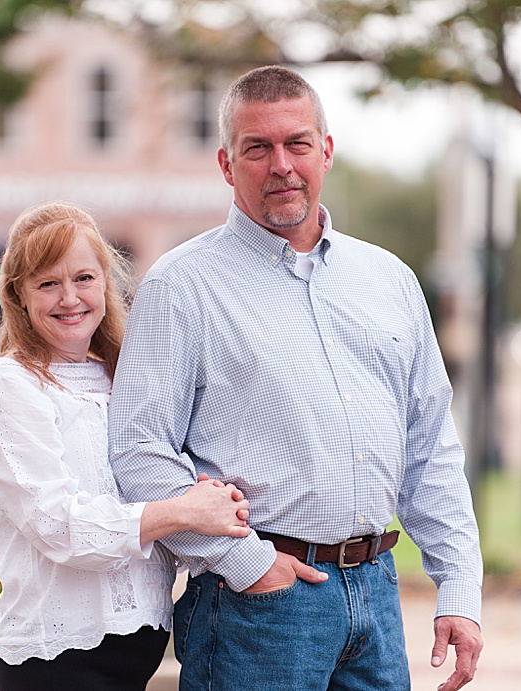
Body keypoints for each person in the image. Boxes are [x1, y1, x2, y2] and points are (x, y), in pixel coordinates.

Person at [108, 66, 483, 691]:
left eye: (297, 143)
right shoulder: (182, 288)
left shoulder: (389, 280)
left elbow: (430, 448)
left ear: (326, 152)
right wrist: (248, 563)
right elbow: (138, 451)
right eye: (259, 148)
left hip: (377, 594)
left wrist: (460, 590)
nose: (281, 164)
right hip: (256, 608)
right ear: (228, 165)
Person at [0, 201, 252, 691]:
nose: (69, 298)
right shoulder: (9, 385)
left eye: (83, 278)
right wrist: (182, 511)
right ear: (19, 296)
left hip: (138, 651)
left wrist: (206, 495)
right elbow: (58, 525)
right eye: (47, 283)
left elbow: (152, 486)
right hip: (56, 659)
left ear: (105, 283)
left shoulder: (123, 377)